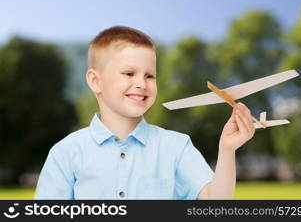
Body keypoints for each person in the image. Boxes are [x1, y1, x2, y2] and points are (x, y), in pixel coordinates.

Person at [35, 26, 255, 200]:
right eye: (129, 73)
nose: (141, 83)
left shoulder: (176, 147)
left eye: (150, 76)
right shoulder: (65, 153)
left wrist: (227, 150)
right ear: (95, 81)